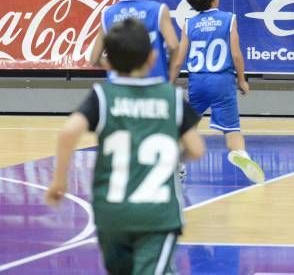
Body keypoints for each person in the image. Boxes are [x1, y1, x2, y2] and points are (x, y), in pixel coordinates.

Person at [46, 18, 205, 275]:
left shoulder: (102, 96)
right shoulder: (171, 97)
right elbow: (197, 150)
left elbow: (68, 132)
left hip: (112, 214)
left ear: (108, 62)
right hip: (158, 215)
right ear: (153, 58)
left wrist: (59, 181)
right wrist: (173, 158)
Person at [170, 0, 265, 184]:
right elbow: (236, 54)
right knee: (232, 131)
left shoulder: (189, 23)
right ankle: (240, 154)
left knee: (186, 127)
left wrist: (169, 83)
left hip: (198, 82)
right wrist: (242, 80)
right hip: (222, 82)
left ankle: (177, 165)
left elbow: (178, 59)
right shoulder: (228, 19)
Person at [90, 0, 180, 82]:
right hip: (152, 85)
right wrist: (169, 80)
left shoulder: (108, 13)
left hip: (120, 89)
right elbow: (173, 46)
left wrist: (118, 68)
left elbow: (94, 59)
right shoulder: (158, 10)